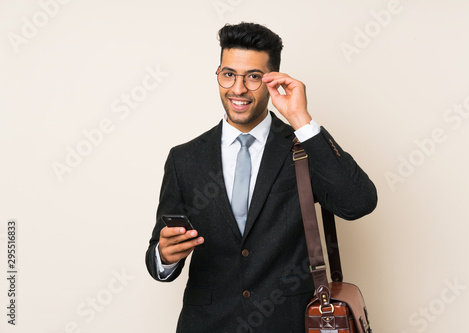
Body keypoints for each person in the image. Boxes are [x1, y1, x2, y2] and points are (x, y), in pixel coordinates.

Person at [145, 22, 377, 332]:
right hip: (207, 325)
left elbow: (358, 203)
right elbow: (158, 258)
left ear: (272, 81)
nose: (238, 88)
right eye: (228, 74)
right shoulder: (184, 159)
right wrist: (165, 255)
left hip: (287, 323)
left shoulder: (303, 148)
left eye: (253, 77)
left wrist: (300, 119)